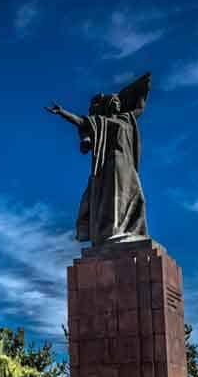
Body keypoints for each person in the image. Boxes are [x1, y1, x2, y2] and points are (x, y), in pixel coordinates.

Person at [46, 72, 152, 246]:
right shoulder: (101, 121)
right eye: (115, 102)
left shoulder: (126, 118)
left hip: (128, 164)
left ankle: (132, 230)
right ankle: (114, 231)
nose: (118, 104)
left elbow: (139, 108)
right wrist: (62, 112)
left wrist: (144, 89)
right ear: (109, 105)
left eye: (119, 102)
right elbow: (81, 121)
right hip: (112, 162)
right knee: (114, 199)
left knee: (137, 196)